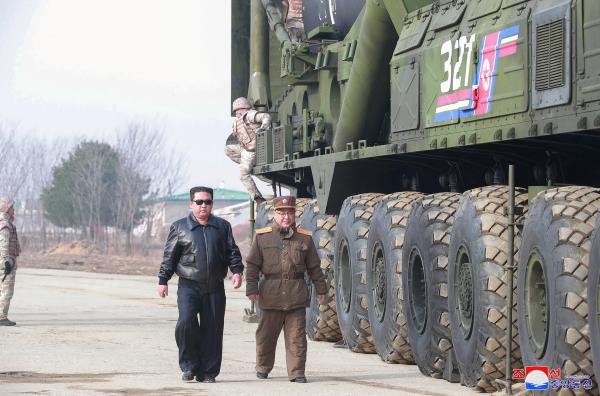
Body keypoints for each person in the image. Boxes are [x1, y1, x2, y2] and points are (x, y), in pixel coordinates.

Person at [157, 186, 244, 383]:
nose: (204, 206)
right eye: (199, 202)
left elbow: (232, 251)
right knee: (186, 323)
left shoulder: (222, 226)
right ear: (191, 204)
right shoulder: (179, 227)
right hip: (189, 285)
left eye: (208, 202)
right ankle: (189, 366)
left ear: (212, 204)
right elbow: (170, 256)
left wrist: (237, 271)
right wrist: (163, 280)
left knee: (213, 329)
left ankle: (208, 372)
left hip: (215, 286)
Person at [245, 195, 326, 383]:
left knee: (296, 338)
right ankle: (263, 367)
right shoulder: (263, 237)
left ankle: (297, 372)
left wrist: (321, 289)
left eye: (290, 212)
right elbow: (252, 265)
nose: (286, 217)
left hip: (295, 294)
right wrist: (251, 289)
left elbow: (314, 267)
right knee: (266, 336)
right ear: (275, 214)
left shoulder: (304, 238)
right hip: (270, 294)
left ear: (294, 214)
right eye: (281, 213)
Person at [225, 97, 271, 205]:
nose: (236, 113)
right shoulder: (238, 122)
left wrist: (264, 127)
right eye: (235, 111)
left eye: (237, 110)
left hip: (254, 150)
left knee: (243, 175)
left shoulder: (250, 115)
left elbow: (266, 116)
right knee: (227, 149)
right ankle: (248, 165)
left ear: (243, 108)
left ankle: (258, 198)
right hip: (246, 149)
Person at [0, 197, 20, 326]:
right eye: (11, 207)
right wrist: (6, 262)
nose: (13, 209)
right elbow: (4, 245)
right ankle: (2, 317)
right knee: (6, 290)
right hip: (5, 262)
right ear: (6, 209)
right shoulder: (5, 225)